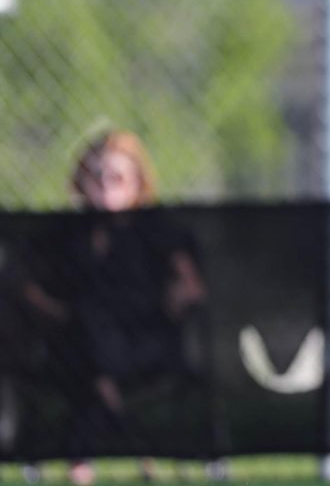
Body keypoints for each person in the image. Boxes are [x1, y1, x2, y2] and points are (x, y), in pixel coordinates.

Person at [19, 129, 213, 484]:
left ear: (137, 182)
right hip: (75, 344)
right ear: (81, 181)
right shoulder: (64, 234)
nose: (105, 185)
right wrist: (54, 313)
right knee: (88, 333)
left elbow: (192, 288)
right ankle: (125, 427)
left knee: (90, 345)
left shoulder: (157, 231)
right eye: (96, 176)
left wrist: (174, 300)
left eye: (117, 177)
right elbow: (26, 286)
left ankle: (84, 461)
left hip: (144, 344)